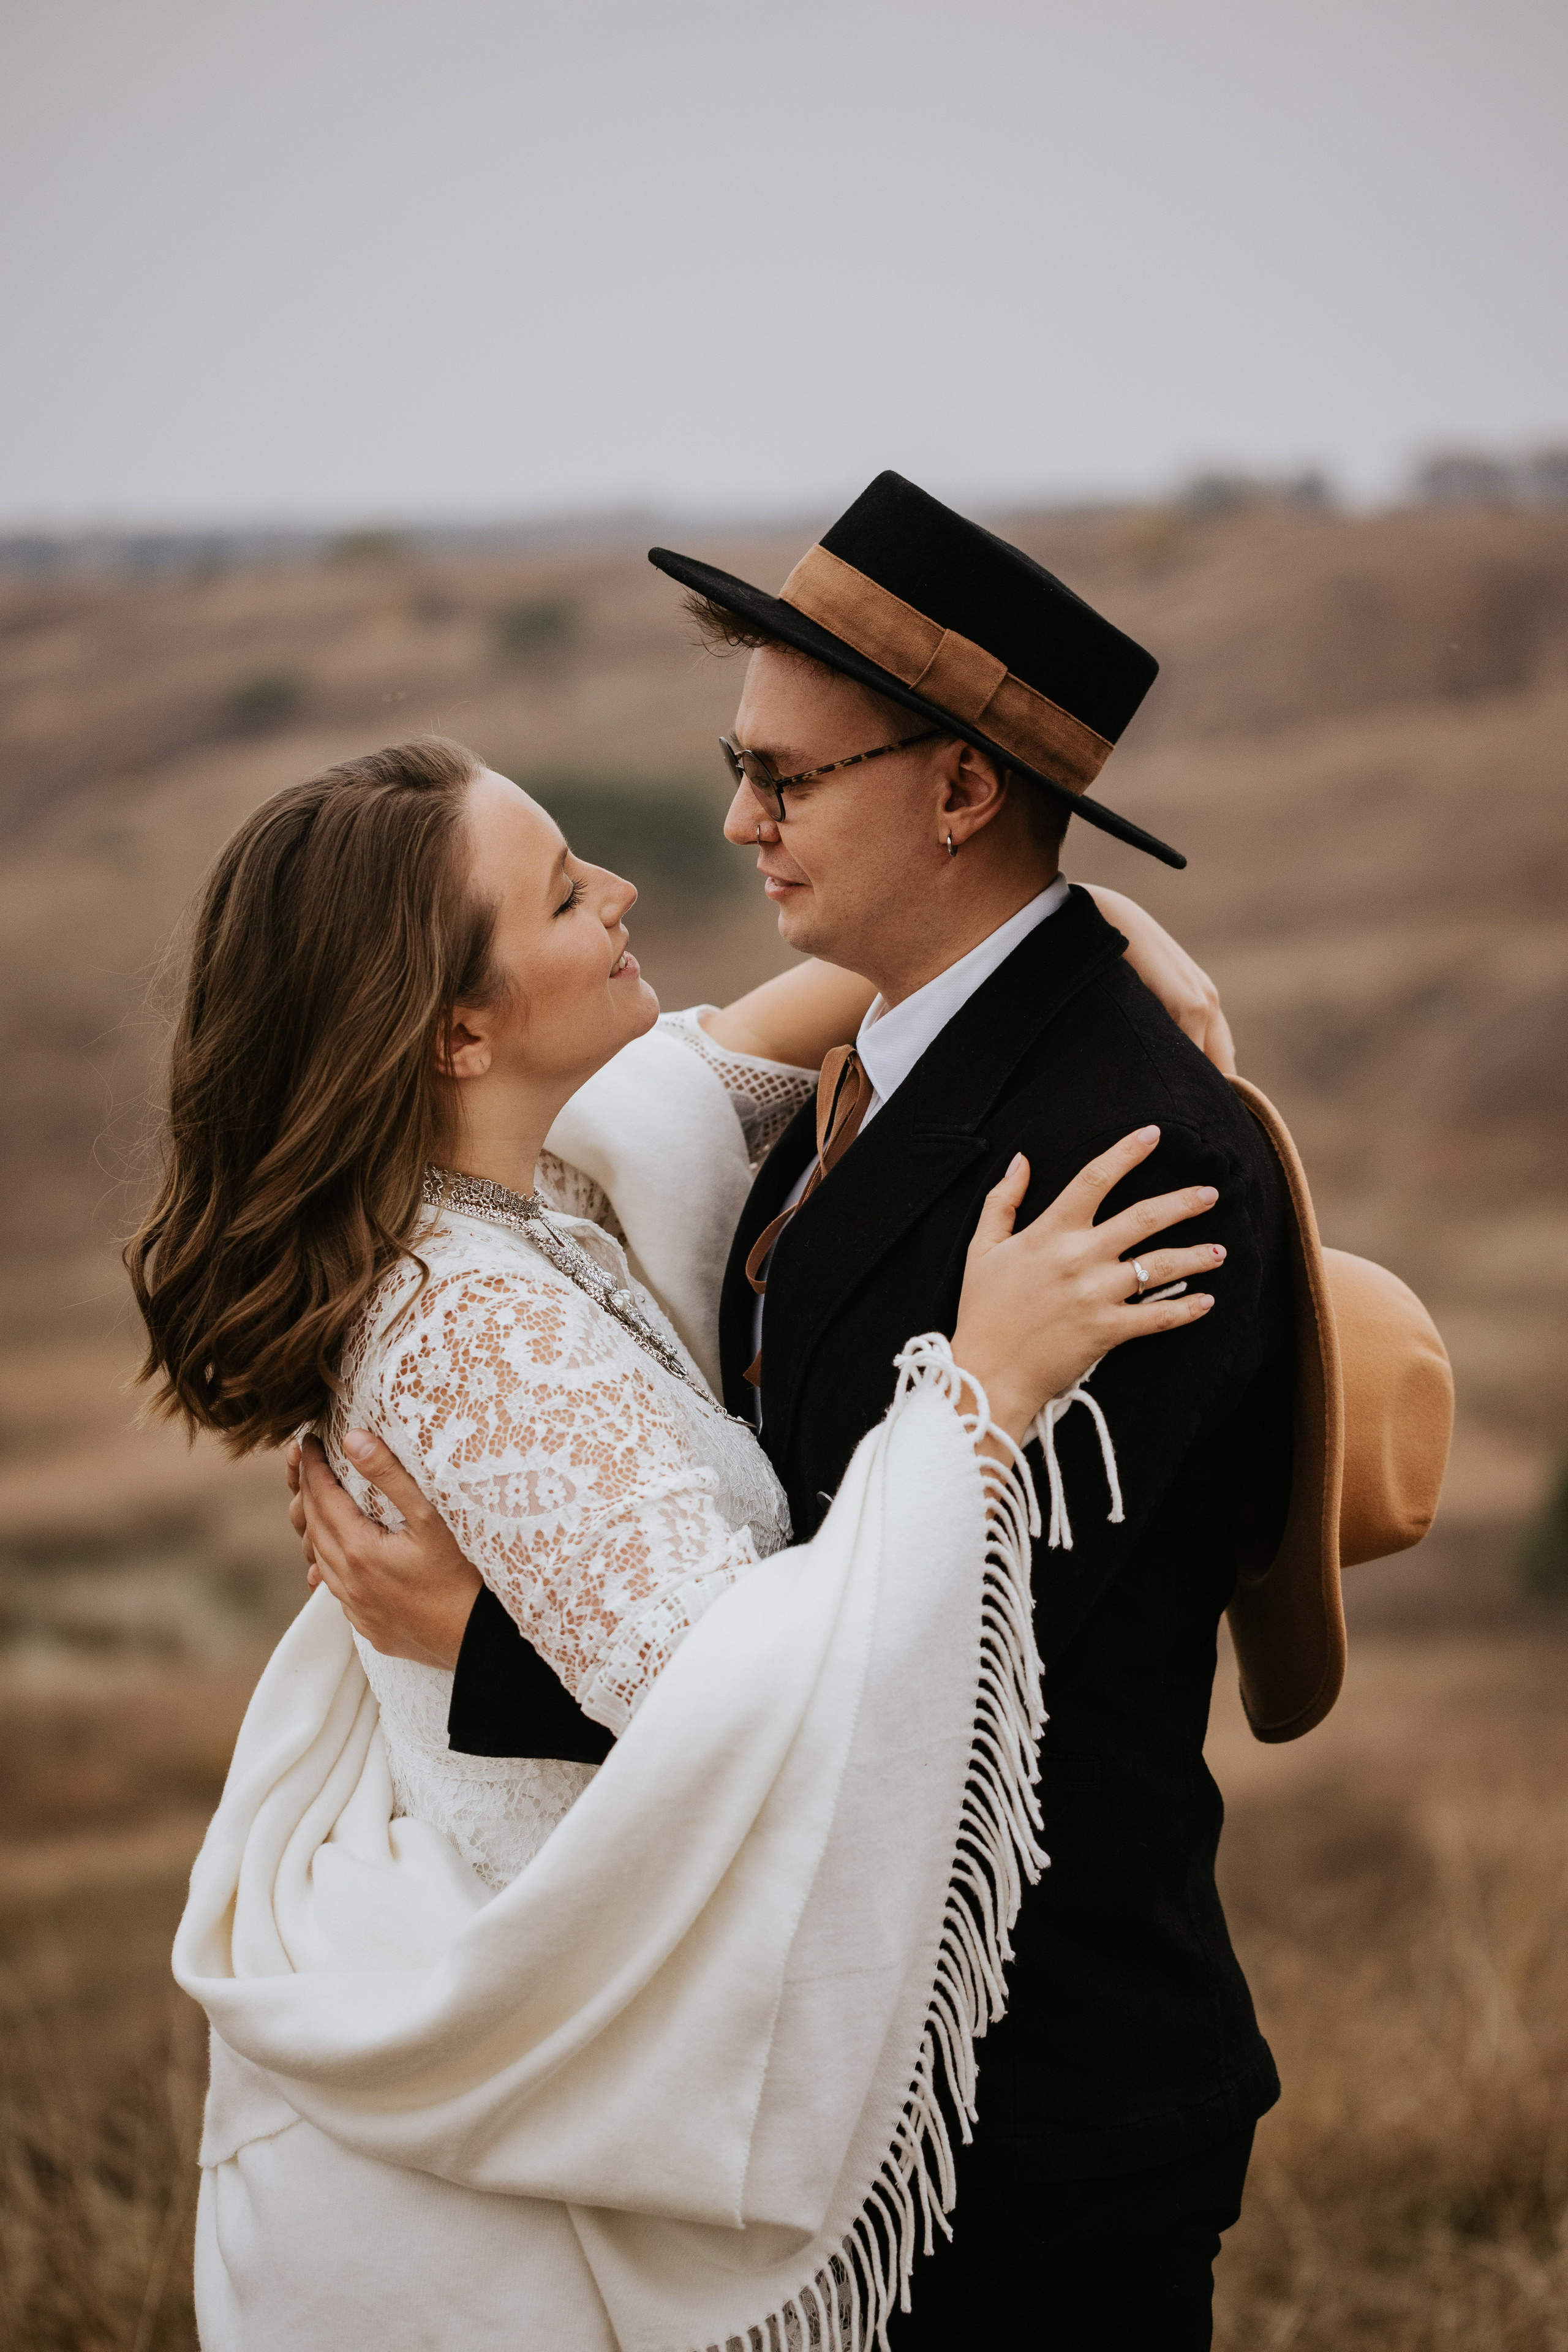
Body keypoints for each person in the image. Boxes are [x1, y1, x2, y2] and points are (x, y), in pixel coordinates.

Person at [303, 475, 1296, 2349]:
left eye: (788, 777)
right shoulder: (864, 1080)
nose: (734, 822)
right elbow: (681, 1104)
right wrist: (1083, 919)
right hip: (842, 2107)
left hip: (1036, 2114)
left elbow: (962, 1670)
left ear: (960, 790)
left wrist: (488, 1655)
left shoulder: (1121, 1156)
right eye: (736, 764)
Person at [134, 733, 1227, 2351]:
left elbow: (733, 1055)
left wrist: (1080, 923)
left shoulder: (500, 1198)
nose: (629, 890)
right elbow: (750, 1707)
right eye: (570, 895)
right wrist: (980, 1389)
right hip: (603, 2042)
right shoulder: (468, 1335)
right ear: (458, 1030)